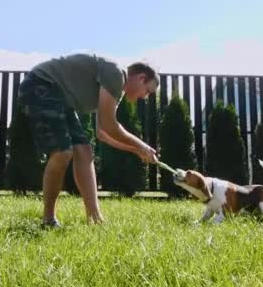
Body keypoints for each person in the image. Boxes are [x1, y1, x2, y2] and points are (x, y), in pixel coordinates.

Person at [18, 53, 159, 227]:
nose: (144, 97)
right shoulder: (115, 75)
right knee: (63, 152)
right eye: (148, 91)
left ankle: (95, 218)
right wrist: (142, 145)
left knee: (84, 151)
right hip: (41, 84)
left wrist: (136, 150)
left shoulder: (115, 87)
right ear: (141, 78)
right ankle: (48, 220)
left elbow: (102, 132)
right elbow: (109, 126)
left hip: (61, 98)